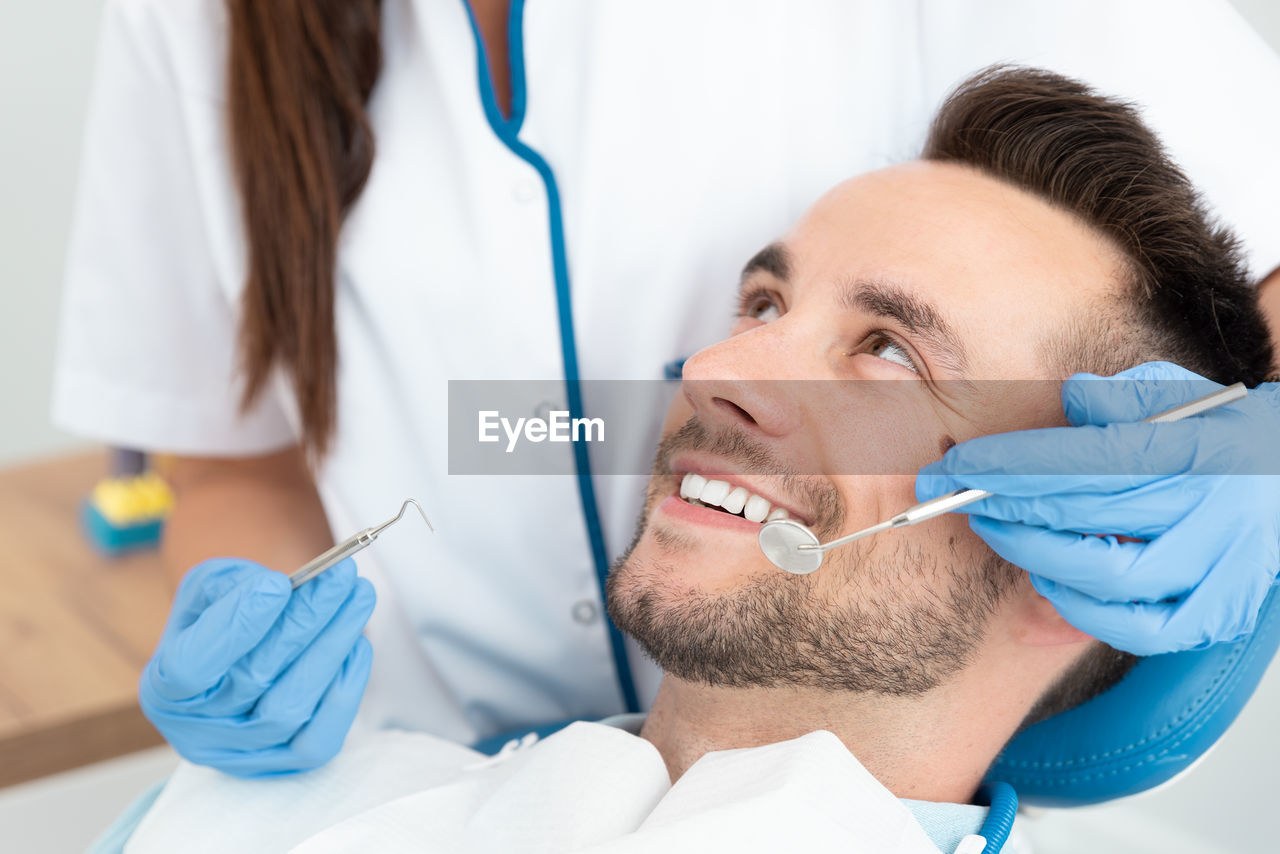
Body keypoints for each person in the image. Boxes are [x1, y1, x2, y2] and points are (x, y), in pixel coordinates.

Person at [55, 0, 1280, 775]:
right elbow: (233, 455)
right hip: (418, 756)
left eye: (885, 348)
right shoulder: (197, 23)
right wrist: (267, 652)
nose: (712, 371)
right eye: (756, 304)